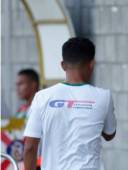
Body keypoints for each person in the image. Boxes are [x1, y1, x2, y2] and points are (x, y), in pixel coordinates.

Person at [23, 37, 117, 170]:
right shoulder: (104, 97)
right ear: (91, 64)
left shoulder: (42, 97)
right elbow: (109, 133)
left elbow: (30, 147)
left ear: (62, 65)